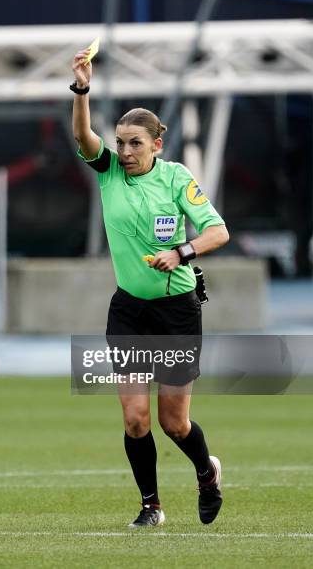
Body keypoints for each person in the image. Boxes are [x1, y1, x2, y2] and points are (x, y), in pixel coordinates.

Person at [71, 48, 229, 528]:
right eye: (120, 142)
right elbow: (82, 134)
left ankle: (206, 473)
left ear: (157, 144)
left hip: (177, 311)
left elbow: (218, 232)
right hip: (129, 312)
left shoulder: (178, 178)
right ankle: (151, 506)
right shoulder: (110, 173)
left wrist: (182, 252)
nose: (125, 152)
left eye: (135, 143)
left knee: (172, 422)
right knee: (136, 418)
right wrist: (82, 88)